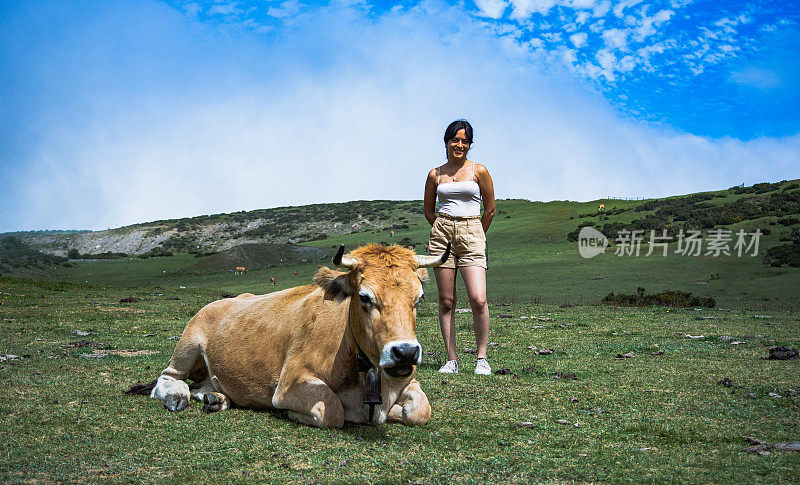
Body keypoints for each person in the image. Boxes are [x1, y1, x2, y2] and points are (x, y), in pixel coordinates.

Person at [423, 120, 495, 375]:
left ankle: (482, 358)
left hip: (472, 232)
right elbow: (428, 211)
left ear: (470, 144)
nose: (460, 145)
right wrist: (444, 229)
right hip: (442, 234)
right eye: (455, 140)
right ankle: (451, 360)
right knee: (446, 301)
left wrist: (475, 233)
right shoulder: (435, 174)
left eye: (465, 141)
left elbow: (490, 210)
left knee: (478, 298)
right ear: (446, 142)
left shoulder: (479, 171)